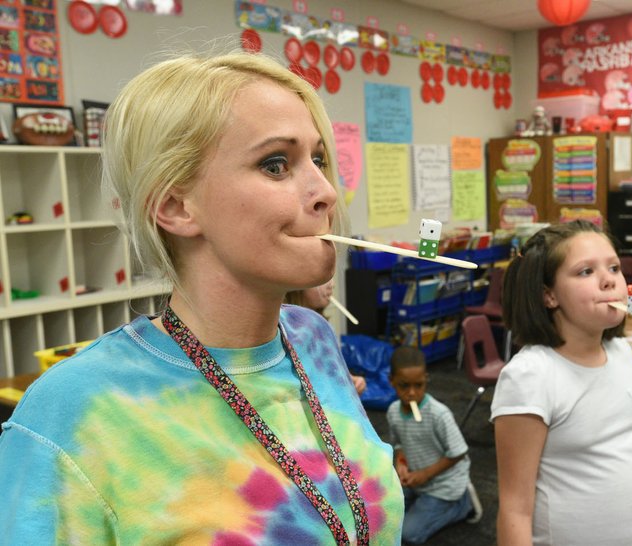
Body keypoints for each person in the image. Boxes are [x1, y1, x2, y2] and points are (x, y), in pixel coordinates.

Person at [0, 50, 403, 543]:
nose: (325, 191)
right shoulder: (71, 415)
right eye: (276, 164)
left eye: (317, 159)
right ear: (175, 206)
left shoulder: (311, 334)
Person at [491, 220, 632, 546]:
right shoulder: (531, 376)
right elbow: (514, 508)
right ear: (549, 296)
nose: (609, 280)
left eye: (614, 267)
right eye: (586, 272)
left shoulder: (621, 352)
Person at [387, 346, 482, 545]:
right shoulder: (393, 412)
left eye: (419, 385)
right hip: (417, 479)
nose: (412, 393)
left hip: (443, 485)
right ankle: (424, 504)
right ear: (392, 381)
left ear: (426, 380)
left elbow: (458, 452)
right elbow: (399, 445)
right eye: (404, 386)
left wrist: (426, 474)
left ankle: (463, 504)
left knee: (408, 534)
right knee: (384, 513)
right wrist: (401, 464)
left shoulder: (439, 414)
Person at [285, 279, 367, 395]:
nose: (332, 285)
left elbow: (331, 368)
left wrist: (351, 380)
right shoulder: (285, 331)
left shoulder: (325, 327)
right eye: (324, 279)